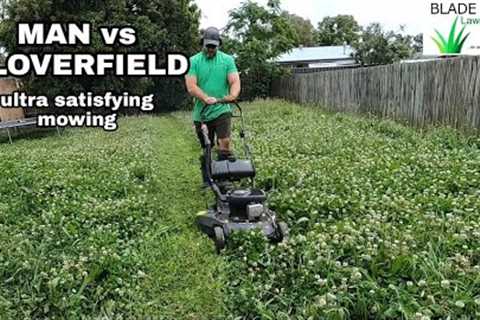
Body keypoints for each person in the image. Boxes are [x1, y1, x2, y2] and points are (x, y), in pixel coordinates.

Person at [185, 26, 241, 186]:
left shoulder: (227, 60)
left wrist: (232, 95)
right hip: (201, 112)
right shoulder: (193, 61)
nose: (210, 49)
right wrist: (205, 98)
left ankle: (223, 178)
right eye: (207, 46)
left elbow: (234, 80)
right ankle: (207, 177)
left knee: (225, 142)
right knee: (207, 146)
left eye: (213, 46)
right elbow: (191, 86)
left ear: (218, 45)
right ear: (202, 43)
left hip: (222, 109)